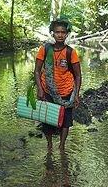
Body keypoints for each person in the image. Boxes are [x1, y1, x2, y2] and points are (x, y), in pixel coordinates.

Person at [34, 17, 81, 151]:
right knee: (47, 120)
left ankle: (61, 146)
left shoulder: (70, 52)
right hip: (47, 90)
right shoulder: (45, 49)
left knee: (65, 122)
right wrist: (39, 89)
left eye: (63, 32)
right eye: (57, 32)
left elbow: (78, 75)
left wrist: (76, 94)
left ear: (67, 34)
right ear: (52, 33)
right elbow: (37, 71)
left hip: (66, 92)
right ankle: (49, 145)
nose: (60, 35)